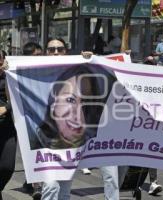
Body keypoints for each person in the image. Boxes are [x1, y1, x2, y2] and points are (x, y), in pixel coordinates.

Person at [41, 39, 120, 200]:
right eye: (51, 49)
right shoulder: (39, 70)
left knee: (111, 177)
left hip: (96, 133)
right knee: (54, 186)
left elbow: (112, 77)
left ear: (66, 51)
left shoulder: (79, 67)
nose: (56, 52)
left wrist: (92, 60)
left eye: (60, 49)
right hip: (59, 140)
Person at [21, 42, 43, 200]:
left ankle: (34, 183)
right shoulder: (20, 70)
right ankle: (36, 185)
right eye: (36, 55)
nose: (40, 58)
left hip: (47, 118)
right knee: (34, 151)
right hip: (29, 118)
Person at [143, 56, 163, 195]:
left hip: (153, 125)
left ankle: (153, 183)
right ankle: (127, 181)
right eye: (147, 63)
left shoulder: (160, 82)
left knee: (152, 153)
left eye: (152, 63)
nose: (149, 65)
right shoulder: (135, 79)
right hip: (135, 124)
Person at [0, 50, 17, 200]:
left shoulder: (10, 76)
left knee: (7, 167)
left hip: (7, 128)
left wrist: (6, 107)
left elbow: (19, 96)